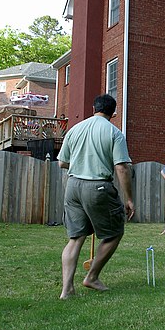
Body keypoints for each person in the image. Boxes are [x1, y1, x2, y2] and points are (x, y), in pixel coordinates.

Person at [57, 94, 134, 299]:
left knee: (75, 238)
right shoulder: (114, 133)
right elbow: (122, 168)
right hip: (97, 187)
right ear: (113, 112)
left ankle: (67, 290)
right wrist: (129, 199)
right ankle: (92, 277)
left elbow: (62, 163)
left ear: (93, 108)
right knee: (114, 232)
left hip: (72, 186)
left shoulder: (74, 129)